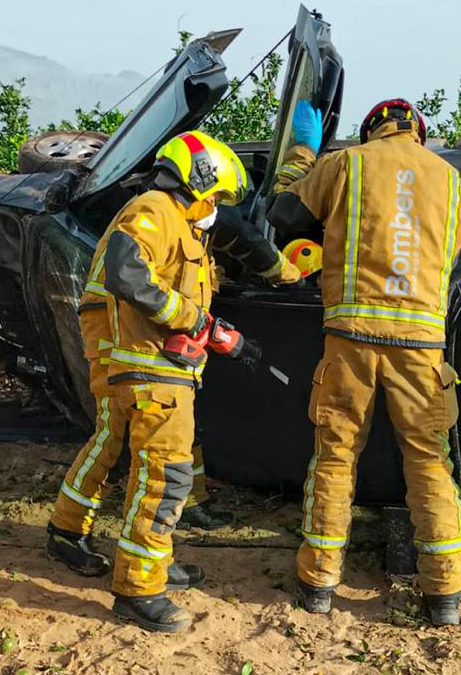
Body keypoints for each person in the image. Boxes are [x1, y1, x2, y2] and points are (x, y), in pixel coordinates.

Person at [267, 98, 461, 626]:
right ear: (417, 132)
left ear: (370, 131)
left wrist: (302, 154)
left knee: (335, 457)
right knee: (429, 462)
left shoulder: (346, 163)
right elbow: (449, 256)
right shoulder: (449, 179)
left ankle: (318, 584)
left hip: (350, 339)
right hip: (422, 347)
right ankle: (444, 594)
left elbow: (283, 215)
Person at [46, 200, 302, 576]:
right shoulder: (160, 213)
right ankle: (66, 529)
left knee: (175, 424)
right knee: (113, 435)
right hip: (117, 330)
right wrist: (292, 278)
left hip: (150, 335)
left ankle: (188, 505)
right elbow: (248, 242)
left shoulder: (189, 224)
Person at [91, 130, 258, 633]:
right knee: (165, 481)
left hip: (168, 372)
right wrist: (193, 320)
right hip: (151, 370)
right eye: (214, 197)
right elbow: (126, 274)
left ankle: (154, 566)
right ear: (199, 178)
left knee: (157, 478)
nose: (214, 209)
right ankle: (138, 590)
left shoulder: (182, 227)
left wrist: (206, 329)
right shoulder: (155, 209)